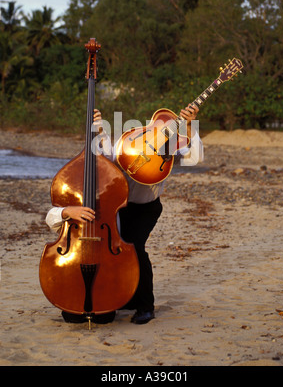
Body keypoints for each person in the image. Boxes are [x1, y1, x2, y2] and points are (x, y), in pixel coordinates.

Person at [45, 104, 204, 324]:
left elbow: (196, 157)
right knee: (113, 254)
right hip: (117, 205)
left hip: (146, 208)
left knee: (136, 249)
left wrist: (190, 126)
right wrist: (98, 129)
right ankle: (121, 295)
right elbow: (106, 157)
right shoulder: (131, 142)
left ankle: (145, 306)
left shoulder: (173, 150)